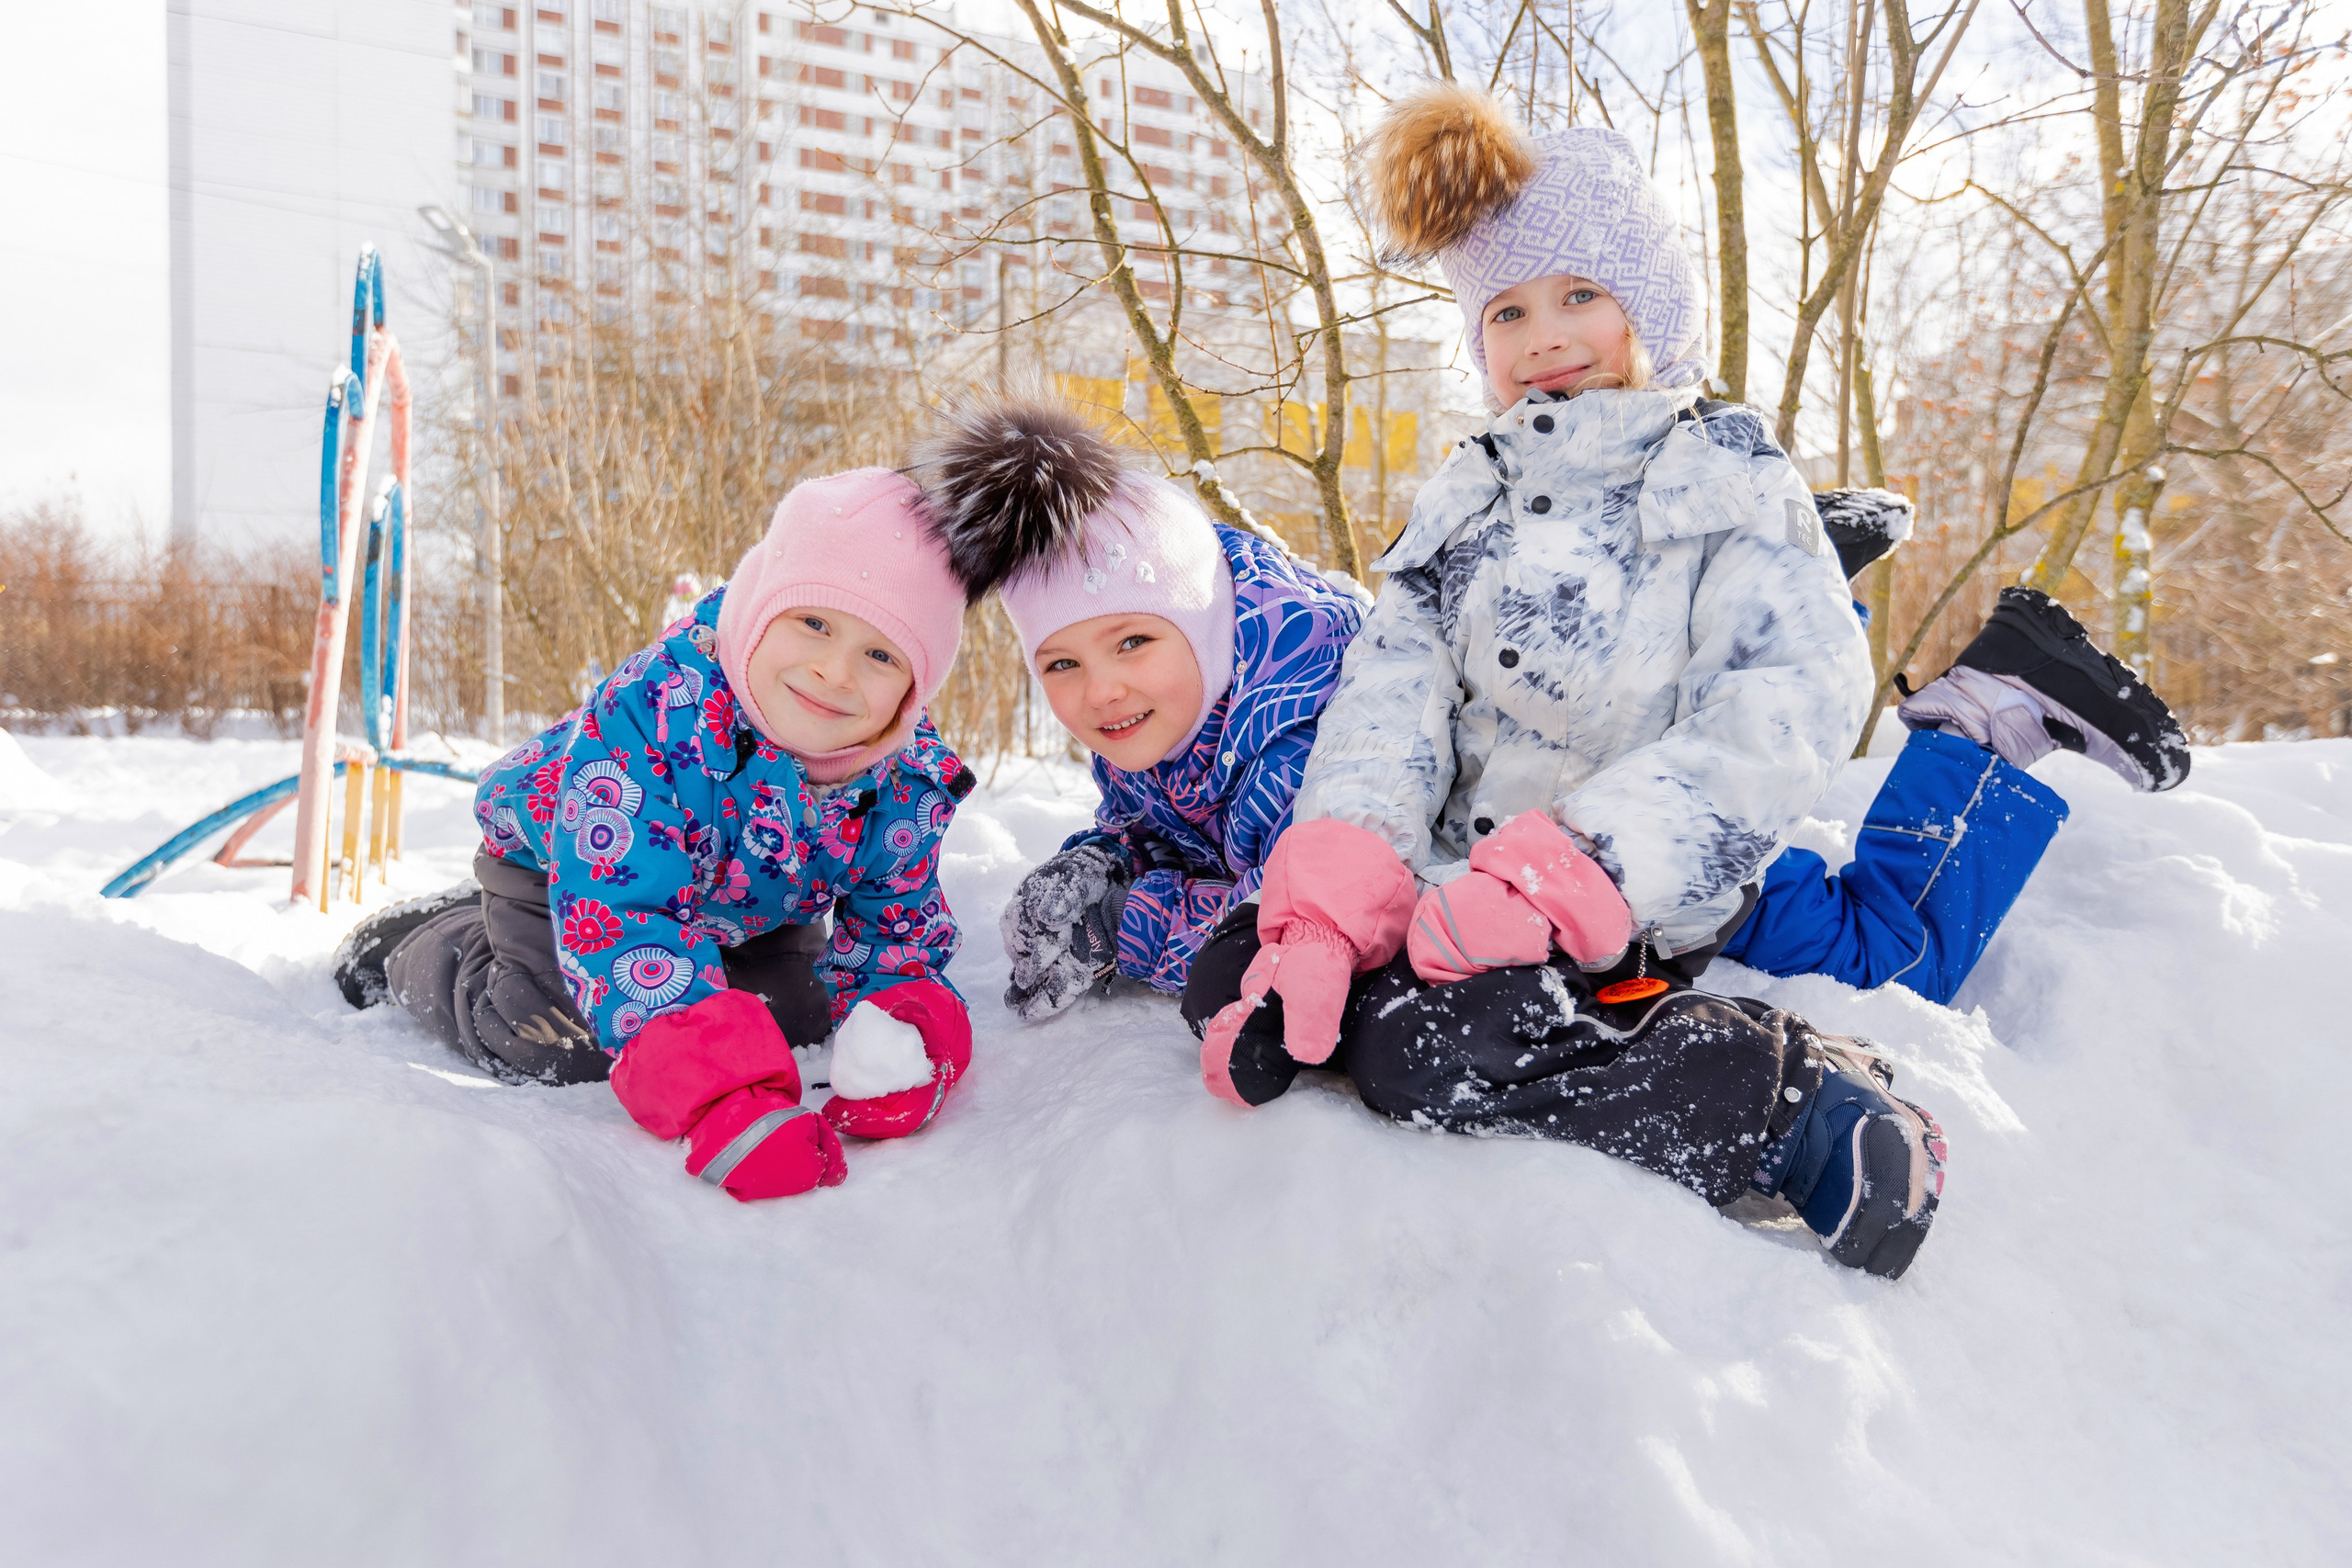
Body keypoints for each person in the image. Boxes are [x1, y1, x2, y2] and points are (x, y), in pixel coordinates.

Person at [1181, 85, 2177, 1280]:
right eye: (1507, 310)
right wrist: (1340, 888)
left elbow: (1780, 704)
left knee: (1426, 1051)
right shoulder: (1462, 501)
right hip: (1455, 888)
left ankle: (1791, 1095)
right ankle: (1325, 991)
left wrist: (1572, 875)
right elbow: (1389, 706)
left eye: (1581, 296)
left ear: (1647, 306)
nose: (1545, 334)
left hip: (1630, 903)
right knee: (1245, 961)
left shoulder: (1714, 473)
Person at [334, 469, 980, 1201]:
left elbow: (893, 939)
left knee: (797, 1019)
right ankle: (434, 940)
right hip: (570, 875)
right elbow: (623, 912)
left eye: (881, 654)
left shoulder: (905, 780)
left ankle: (684, 983)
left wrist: (905, 1043)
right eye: (815, 623)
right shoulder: (659, 713)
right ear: (758, 608)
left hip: (739, 907)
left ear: (914, 685)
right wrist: (725, 1102)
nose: (834, 670)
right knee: (548, 1032)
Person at [910, 395, 1364, 1018]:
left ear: (1206, 627)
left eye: (1132, 642)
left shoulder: (1297, 732)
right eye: (1062, 663)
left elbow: (1289, 930)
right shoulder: (1161, 719)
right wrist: (1104, 865)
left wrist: (1128, 924)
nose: (1101, 690)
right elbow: (1162, 834)